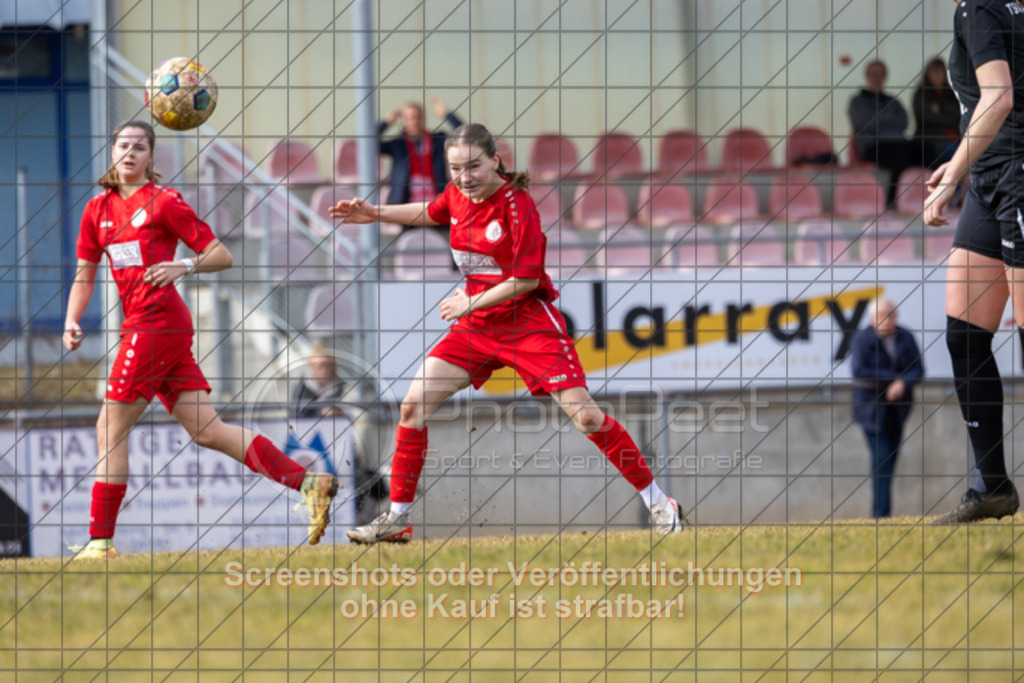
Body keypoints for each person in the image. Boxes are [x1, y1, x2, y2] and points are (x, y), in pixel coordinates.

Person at [329, 122, 686, 543]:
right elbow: (432, 210)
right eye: (456, 168)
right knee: (412, 407)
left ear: (495, 161)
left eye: (474, 166)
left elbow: (526, 279)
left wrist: (469, 302)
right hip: (477, 328)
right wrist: (376, 213)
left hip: (526, 324)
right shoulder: (458, 195)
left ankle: (660, 502)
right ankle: (397, 518)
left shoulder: (517, 205)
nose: (464, 177)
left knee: (587, 416)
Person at [63, 120, 338, 559]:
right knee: (208, 431)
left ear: (151, 157)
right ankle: (308, 481)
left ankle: (100, 542)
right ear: (111, 152)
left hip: (156, 323)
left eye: (139, 146)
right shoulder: (97, 210)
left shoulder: (164, 202)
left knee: (108, 429)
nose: (130, 152)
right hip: (149, 327)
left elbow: (220, 255)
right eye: (123, 145)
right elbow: (84, 273)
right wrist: (71, 320)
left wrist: (184, 266)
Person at [924, 0, 1023, 523]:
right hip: (991, 180)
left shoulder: (978, 7)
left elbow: (999, 97)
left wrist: (952, 173)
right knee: (964, 333)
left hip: (1015, 177)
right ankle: (993, 487)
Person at [849, 297, 924, 519]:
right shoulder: (862, 339)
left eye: (891, 315)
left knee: (889, 461)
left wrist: (902, 383)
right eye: (883, 316)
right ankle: (881, 514)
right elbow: (860, 371)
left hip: (898, 411)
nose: (888, 320)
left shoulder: (906, 337)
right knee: (881, 461)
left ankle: (882, 513)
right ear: (873, 319)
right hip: (871, 412)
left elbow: (917, 369)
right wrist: (893, 380)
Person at [849, 60, 917, 207]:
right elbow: (867, 123)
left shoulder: (893, 101)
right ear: (867, 77)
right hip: (873, 147)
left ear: (885, 77)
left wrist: (879, 120)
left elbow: (904, 122)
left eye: (880, 74)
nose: (876, 78)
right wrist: (888, 121)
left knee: (927, 151)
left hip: (898, 143)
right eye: (873, 74)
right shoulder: (857, 101)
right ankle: (892, 201)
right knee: (900, 157)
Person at [379, 98, 463, 210]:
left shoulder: (437, 141)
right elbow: (367, 145)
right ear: (403, 121)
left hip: (437, 205)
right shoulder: (397, 145)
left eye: (417, 117)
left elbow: (464, 135)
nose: (414, 121)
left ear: (423, 119)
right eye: (409, 118)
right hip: (405, 206)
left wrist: (446, 114)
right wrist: (386, 122)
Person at [913, 57, 962, 168]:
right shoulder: (922, 93)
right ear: (927, 74)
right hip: (930, 142)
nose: (937, 75)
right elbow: (927, 118)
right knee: (957, 158)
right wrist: (946, 115)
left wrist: (940, 109)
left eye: (940, 72)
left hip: (954, 138)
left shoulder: (951, 94)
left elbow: (958, 115)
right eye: (934, 72)